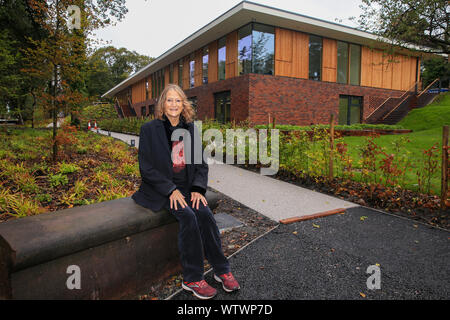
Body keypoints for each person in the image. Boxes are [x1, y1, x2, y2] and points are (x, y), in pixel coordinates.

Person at [132, 84, 240, 300]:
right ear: (163, 104)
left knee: (205, 214)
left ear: (184, 105)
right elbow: (146, 168)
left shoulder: (190, 129)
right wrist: (170, 190)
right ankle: (192, 278)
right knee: (188, 216)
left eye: (178, 100)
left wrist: (198, 188)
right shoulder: (149, 130)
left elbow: (200, 164)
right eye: (169, 100)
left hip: (187, 188)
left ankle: (221, 269)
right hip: (160, 189)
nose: (174, 104)